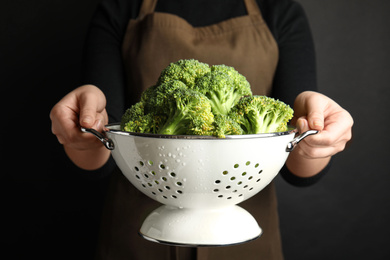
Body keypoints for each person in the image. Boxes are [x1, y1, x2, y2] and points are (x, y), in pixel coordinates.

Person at [50, 0, 353, 259]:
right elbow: (101, 150)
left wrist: (316, 135)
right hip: (138, 233)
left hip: (246, 241)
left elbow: (299, 166)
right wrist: (83, 130)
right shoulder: (121, 7)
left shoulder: (279, 10)